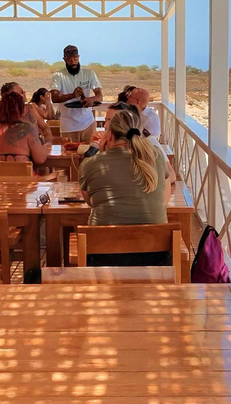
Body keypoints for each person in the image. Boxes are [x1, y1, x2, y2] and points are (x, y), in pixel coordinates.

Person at [79, 108, 173, 266]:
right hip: (156, 256)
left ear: (109, 134)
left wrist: (100, 152)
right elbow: (165, 192)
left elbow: (91, 201)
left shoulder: (91, 164)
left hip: (104, 255)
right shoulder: (155, 155)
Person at [49, 45, 102, 143]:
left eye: (75, 59)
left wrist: (92, 100)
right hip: (68, 125)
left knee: (90, 154)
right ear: (64, 59)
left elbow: (99, 96)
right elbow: (54, 98)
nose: (73, 62)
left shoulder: (89, 74)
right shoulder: (58, 76)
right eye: (69, 59)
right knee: (69, 156)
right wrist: (72, 95)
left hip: (88, 123)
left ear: (78, 57)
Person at [0, 91, 48, 166]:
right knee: (45, 170)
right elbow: (40, 159)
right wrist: (46, 147)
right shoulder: (27, 128)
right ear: (20, 109)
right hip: (21, 176)